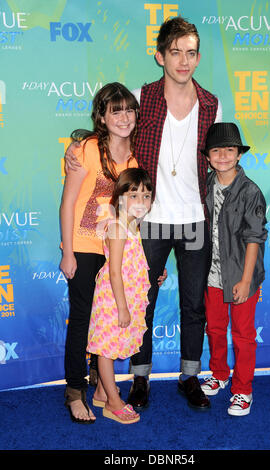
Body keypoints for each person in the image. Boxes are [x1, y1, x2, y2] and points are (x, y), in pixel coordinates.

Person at [65, 16, 222, 410]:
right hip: (147, 219)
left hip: (195, 218)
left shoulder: (211, 104)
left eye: (190, 53)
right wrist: (78, 140)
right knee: (140, 302)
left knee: (194, 303)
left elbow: (220, 158)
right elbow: (111, 127)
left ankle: (189, 376)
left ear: (198, 58)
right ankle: (140, 379)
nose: (183, 61)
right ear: (160, 56)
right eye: (175, 53)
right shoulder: (142, 96)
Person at [60, 82, 140, 423]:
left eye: (128, 110)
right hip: (82, 244)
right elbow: (67, 202)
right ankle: (74, 392)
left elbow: (130, 215)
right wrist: (67, 251)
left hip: (114, 249)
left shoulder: (133, 158)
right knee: (81, 319)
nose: (123, 117)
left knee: (102, 321)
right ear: (102, 117)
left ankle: (98, 386)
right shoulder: (84, 149)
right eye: (115, 110)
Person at [200, 122, 268, 416]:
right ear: (207, 156)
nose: (223, 156)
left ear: (239, 154)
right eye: (217, 150)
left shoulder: (251, 191)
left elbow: (254, 238)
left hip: (242, 275)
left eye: (230, 150)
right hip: (210, 275)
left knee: (242, 335)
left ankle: (243, 390)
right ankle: (219, 373)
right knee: (214, 328)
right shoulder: (203, 184)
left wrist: (246, 279)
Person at [87, 168, 153, 424]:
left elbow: (131, 260)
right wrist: (122, 307)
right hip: (114, 298)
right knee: (105, 348)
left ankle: (102, 392)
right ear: (120, 197)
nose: (141, 202)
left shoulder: (133, 225)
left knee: (112, 345)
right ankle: (113, 402)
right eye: (134, 195)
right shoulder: (117, 227)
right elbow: (115, 271)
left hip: (127, 295)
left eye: (146, 196)